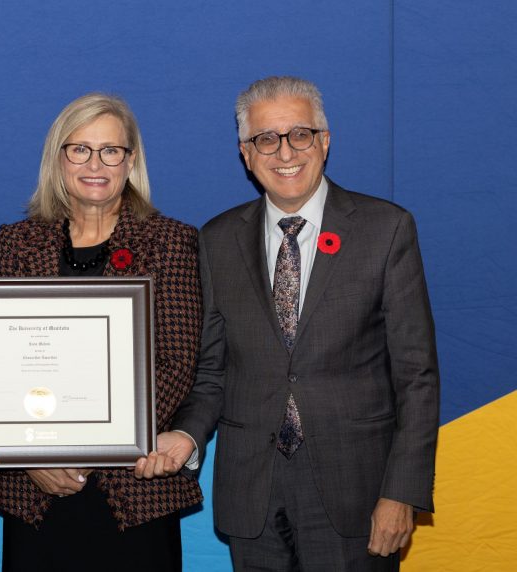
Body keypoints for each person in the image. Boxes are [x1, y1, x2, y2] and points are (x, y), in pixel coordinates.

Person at [137, 76, 440, 571]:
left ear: (324, 141)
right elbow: (211, 370)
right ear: (245, 153)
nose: (284, 153)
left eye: (299, 134)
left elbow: (416, 376)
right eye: (265, 139)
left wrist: (401, 493)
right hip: (251, 493)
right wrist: (187, 435)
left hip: (356, 494)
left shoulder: (386, 229)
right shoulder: (216, 240)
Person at [0, 93, 203, 571]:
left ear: (131, 160)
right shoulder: (17, 243)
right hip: (37, 491)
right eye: (80, 149)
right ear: (59, 158)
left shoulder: (171, 241)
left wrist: (91, 447)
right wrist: (30, 457)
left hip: (134, 490)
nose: (95, 164)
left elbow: (176, 362)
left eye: (111, 151)